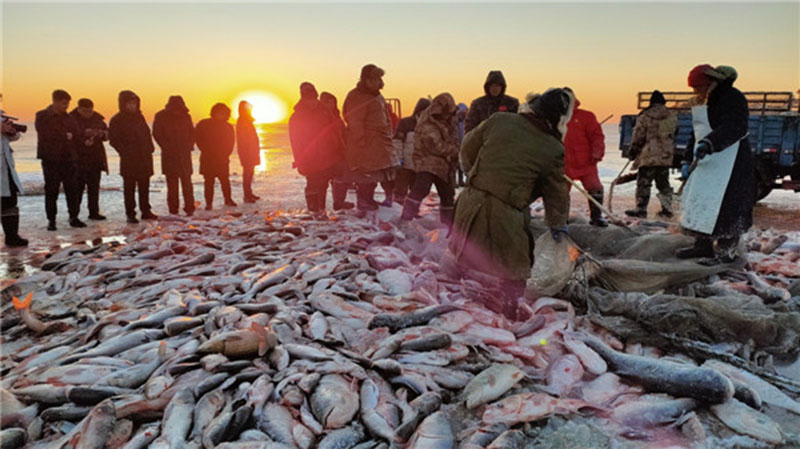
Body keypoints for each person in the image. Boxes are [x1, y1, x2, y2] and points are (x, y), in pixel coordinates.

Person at [447, 88, 573, 317]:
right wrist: (557, 222)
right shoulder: (552, 147)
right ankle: (508, 311)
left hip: (469, 202)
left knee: (463, 250)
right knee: (516, 267)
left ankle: (453, 299)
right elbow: (556, 192)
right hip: (505, 212)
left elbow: (467, 147)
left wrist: (474, 174)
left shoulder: (500, 120)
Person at [677, 64, 754, 265]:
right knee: (702, 200)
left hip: (730, 160)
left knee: (728, 205)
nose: (696, 91)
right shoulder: (707, 101)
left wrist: (711, 143)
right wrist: (687, 158)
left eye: (698, 86)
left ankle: (725, 252)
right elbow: (697, 131)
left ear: (711, 82)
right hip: (707, 160)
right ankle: (701, 245)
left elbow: (735, 126)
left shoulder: (732, 98)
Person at [342, 64, 397, 211]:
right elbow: (354, 120)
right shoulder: (356, 96)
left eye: (379, 78)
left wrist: (389, 133)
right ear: (366, 79)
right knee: (367, 174)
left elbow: (386, 116)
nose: (377, 82)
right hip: (366, 143)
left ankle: (389, 198)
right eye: (374, 79)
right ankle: (365, 200)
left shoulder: (377, 95)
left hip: (382, 141)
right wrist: (360, 141)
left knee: (386, 172)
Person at [400, 93, 459, 227]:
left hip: (444, 164)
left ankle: (447, 224)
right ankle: (406, 218)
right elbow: (437, 145)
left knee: (447, 193)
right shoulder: (428, 122)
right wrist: (456, 151)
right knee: (421, 188)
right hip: (427, 162)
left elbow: (454, 139)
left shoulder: (449, 121)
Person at [289, 82, 348, 212]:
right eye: (308, 99)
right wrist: (300, 161)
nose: (312, 102)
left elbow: (336, 131)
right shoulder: (296, 117)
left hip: (330, 155)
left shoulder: (325, 112)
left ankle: (322, 208)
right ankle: (314, 211)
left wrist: (341, 149)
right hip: (311, 159)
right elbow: (296, 142)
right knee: (314, 185)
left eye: (314, 98)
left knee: (325, 184)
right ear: (303, 99)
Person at [625, 90, 678, 219]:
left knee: (644, 183)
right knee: (664, 184)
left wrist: (632, 152)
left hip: (649, 156)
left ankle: (641, 209)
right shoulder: (672, 116)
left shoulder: (645, 116)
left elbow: (638, 136)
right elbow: (674, 133)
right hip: (665, 156)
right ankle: (667, 209)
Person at [35, 89, 83, 230]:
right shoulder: (42, 116)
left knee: (72, 190)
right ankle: (52, 220)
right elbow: (45, 132)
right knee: (51, 190)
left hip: (69, 158)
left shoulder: (69, 118)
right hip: (51, 159)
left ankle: (74, 217)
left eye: (67, 104)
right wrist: (64, 135)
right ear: (55, 101)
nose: (66, 106)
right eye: (63, 103)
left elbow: (76, 134)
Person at [109, 90, 157, 223]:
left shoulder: (139, 118)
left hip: (144, 158)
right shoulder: (117, 120)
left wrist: (150, 149)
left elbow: (147, 135)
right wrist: (125, 151)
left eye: (134, 103)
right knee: (129, 188)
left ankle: (146, 211)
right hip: (129, 160)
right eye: (129, 103)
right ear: (123, 104)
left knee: (144, 186)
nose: (132, 106)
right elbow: (113, 140)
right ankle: (130, 213)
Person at [562, 87, 607, 227]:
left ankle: (596, 216)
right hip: (563, 163)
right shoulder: (556, 117)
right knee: (560, 193)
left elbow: (597, 136)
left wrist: (597, 153)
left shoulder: (586, 116)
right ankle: (562, 218)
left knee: (595, 188)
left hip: (586, 162)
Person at [153, 95, 195, 216]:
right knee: (172, 184)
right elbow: (157, 133)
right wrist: (167, 147)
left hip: (184, 154)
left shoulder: (186, 116)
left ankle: (189, 207)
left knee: (187, 182)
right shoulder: (161, 116)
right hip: (169, 155)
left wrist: (189, 145)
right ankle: (173, 209)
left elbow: (192, 132)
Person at [70, 98, 109, 221]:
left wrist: (101, 133)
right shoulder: (71, 119)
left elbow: (107, 133)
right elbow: (69, 136)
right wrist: (83, 136)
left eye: (90, 111)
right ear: (79, 108)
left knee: (94, 187)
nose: (88, 114)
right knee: (77, 189)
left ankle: (94, 212)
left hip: (95, 158)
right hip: (78, 159)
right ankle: (74, 215)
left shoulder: (97, 118)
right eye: (85, 111)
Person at [195, 103, 236, 210]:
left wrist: (226, 153)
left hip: (222, 158)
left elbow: (231, 142)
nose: (221, 115)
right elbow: (197, 138)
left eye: (223, 113)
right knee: (209, 182)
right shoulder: (204, 124)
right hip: (208, 158)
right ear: (214, 112)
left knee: (225, 180)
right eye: (219, 112)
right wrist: (205, 149)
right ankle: (209, 203)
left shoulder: (227, 126)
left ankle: (228, 199)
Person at [392, 97, 431, 205]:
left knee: (416, 190)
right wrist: (399, 159)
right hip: (405, 163)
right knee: (400, 188)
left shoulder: (430, 126)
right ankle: (397, 207)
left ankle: (412, 209)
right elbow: (397, 142)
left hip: (420, 165)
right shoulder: (406, 123)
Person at [320, 91, 354, 210]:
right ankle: (319, 207)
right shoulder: (320, 116)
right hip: (325, 152)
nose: (331, 104)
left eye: (333, 102)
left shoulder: (337, 116)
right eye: (328, 102)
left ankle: (339, 201)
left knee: (341, 177)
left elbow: (342, 131)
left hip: (339, 151)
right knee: (322, 180)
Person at [1, 110, 28, 246]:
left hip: (5, 165)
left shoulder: (3, 116)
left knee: (10, 201)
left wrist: (12, 131)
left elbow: (13, 137)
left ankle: (12, 236)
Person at [236, 101, 261, 203]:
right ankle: (247, 195)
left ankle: (249, 193)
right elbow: (243, 139)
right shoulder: (243, 121)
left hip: (251, 151)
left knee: (250, 173)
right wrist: (247, 151)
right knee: (247, 174)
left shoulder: (247, 120)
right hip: (247, 152)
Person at [454, 102, 469, 187]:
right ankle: (454, 182)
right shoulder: (455, 122)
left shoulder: (466, 122)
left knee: (461, 165)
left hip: (463, 145)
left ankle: (461, 180)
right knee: (455, 164)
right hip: (456, 145)